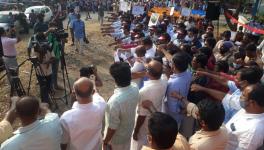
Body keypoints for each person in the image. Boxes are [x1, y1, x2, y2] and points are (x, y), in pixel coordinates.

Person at [60, 77, 106, 150]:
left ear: (74, 93)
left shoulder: (66, 117)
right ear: (93, 92)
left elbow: (63, 141)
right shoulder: (101, 105)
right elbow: (97, 95)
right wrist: (93, 83)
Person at [131, 60, 167, 150]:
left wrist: (136, 131)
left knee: (139, 144)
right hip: (156, 116)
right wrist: (146, 65)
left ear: (148, 72)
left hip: (144, 124)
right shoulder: (164, 81)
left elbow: (141, 116)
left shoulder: (144, 91)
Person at [103, 62, 140, 150]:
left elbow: (112, 127)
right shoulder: (135, 87)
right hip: (128, 132)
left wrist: (105, 141)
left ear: (114, 79)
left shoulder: (115, 102)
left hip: (116, 140)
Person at [225, 83, 264, 150]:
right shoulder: (248, 108)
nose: (240, 97)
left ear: (252, 103)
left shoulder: (253, 131)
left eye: (243, 95)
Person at [165, 52, 192, 125]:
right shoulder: (188, 73)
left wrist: (180, 112)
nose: (170, 63)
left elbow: (172, 106)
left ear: (173, 66)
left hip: (175, 113)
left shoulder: (173, 84)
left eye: (171, 62)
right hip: (182, 105)